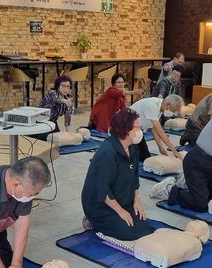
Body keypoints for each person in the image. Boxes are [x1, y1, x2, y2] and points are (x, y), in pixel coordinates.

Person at [81, 109, 153, 240]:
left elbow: (135, 177)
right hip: (100, 206)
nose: (140, 131)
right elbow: (103, 190)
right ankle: (92, 220)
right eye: (137, 127)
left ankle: (121, 214)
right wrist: (120, 211)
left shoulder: (133, 148)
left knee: (145, 228)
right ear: (126, 129)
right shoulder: (107, 152)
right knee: (129, 233)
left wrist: (137, 202)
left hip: (123, 201)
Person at [130, 94, 184, 162]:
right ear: (168, 105)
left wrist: (160, 147)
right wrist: (175, 152)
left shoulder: (160, 107)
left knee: (145, 156)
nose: (173, 113)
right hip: (126, 128)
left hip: (137, 130)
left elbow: (153, 127)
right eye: (173, 111)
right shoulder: (152, 105)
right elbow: (160, 131)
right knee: (132, 156)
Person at [36, 75, 74, 139]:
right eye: (63, 86)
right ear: (58, 86)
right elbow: (56, 99)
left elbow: (68, 117)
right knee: (45, 138)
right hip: (41, 121)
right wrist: (64, 101)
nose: (66, 89)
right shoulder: (52, 92)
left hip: (53, 121)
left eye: (68, 86)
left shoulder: (68, 99)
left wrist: (68, 133)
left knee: (57, 138)